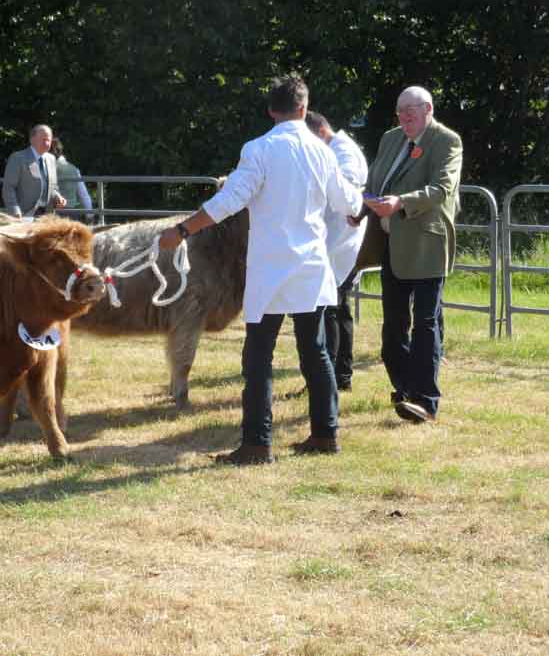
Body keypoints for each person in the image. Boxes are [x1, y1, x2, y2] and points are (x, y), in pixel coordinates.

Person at [159, 75, 369, 464]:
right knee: (316, 352)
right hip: (310, 265)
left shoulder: (258, 149)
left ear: (271, 110)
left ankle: (257, 442)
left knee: (258, 356)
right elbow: (347, 199)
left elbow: (230, 200)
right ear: (304, 109)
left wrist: (182, 229)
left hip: (271, 268)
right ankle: (326, 434)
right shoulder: (323, 151)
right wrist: (360, 209)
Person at [357, 86, 462, 423]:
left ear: (428, 108)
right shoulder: (391, 139)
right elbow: (374, 182)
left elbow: (442, 188)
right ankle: (404, 390)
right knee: (393, 330)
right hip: (392, 244)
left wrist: (400, 202)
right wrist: (359, 210)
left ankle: (426, 401)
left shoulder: (446, 141)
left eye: (411, 110)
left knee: (426, 325)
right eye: (400, 110)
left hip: (428, 245)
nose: (404, 116)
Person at [305, 111, 368, 391]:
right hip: (335, 241)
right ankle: (338, 377)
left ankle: (331, 378)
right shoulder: (336, 149)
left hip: (343, 242)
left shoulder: (343, 152)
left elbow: (345, 193)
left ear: (320, 132)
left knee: (332, 309)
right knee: (337, 309)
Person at [2, 124, 67, 218]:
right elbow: (8, 188)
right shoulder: (18, 158)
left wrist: (58, 197)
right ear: (32, 140)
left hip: (47, 216)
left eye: (48, 140)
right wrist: (14, 210)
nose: (47, 143)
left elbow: (53, 187)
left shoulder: (51, 159)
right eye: (43, 140)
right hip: (23, 215)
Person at [51, 137, 94, 222]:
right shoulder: (74, 169)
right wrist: (90, 215)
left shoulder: (48, 168)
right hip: (72, 214)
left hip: (53, 215)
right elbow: (83, 195)